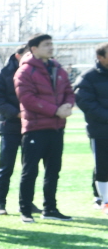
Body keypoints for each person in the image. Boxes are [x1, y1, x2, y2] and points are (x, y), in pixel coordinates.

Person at [15, 34, 76, 222]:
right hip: (35, 129)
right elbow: (28, 99)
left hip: (56, 128)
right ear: (34, 49)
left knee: (53, 171)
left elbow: (69, 91)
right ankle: (25, 210)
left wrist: (68, 105)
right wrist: (55, 110)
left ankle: (50, 209)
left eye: (51, 44)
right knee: (30, 171)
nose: (51, 47)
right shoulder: (25, 71)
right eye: (46, 44)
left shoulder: (58, 69)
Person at [0, 45, 30, 215]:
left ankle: (26, 203)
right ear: (18, 55)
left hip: (31, 126)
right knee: (6, 166)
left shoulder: (34, 72)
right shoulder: (3, 74)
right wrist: (17, 114)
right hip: (10, 126)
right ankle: (0, 203)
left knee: (29, 168)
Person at [73, 42, 108, 214]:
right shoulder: (88, 77)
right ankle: (103, 200)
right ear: (100, 57)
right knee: (102, 165)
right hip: (100, 130)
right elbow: (86, 103)